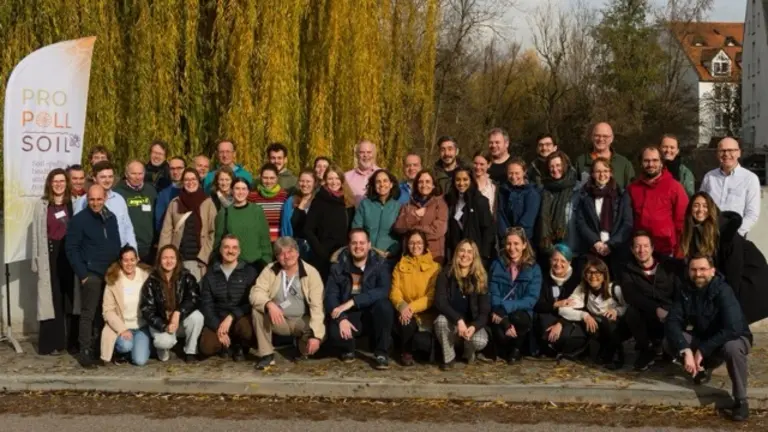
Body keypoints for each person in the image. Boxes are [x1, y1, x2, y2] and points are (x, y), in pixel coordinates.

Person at [665, 255, 753, 422]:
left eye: (703, 269)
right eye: (694, 269)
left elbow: (732, 328)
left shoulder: (723, 290)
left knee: (732, 348)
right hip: (705, 338)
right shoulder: (685, 290)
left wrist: (702, 349)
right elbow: (672, 321)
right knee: (670, 340)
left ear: (712, 271)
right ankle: (701, 368)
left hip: (734, 337)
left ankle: (741, 400)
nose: (698, 274)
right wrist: (685, 349)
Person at [678, 192, 768, 324]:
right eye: (696, 205)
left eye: (705, 206)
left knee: (733, 318)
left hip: (749, 278)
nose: (700, 210)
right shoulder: (695, 232)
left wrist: (729, 299)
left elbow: (734, 268)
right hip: (731, 276)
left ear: (711, 209)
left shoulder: (725, 231)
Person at [65, 185, 122, 368]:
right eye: (92, 199)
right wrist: (83, 274)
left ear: (105, 198)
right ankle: (85, 351)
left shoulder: (110, 217)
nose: (95, 203)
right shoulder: (79, 220)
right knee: (89, 313)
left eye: (99, 199)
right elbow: (71, 249)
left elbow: (116, 243)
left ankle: (102, 349)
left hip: (110, 273)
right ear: (87, 199)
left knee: (106, 313)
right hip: (91, 273)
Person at [250, 237, 325, 370]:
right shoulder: (270, 269)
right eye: (281, 253)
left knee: (310, 348)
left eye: (290, 251)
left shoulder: (311, 273)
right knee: (257, 311)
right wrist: (269, 304)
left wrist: (316, 336)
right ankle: (267, 355)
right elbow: (255, 293)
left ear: (297, 252)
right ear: (277, 257)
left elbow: (317, 307)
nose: (286, 256)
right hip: (279, 320)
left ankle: (301, 346)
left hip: (302, 321)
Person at [324, 229, 395, 370]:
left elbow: (383, 290)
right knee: (334, 332)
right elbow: (330, 295)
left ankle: (381, 352)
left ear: (369, 245)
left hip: (371, 314)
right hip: (349, 315)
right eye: (354, 243)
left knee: (385, 307)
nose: (358, 246)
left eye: (362, 243)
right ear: (349, 245)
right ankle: (348, 348)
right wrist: (341, 318)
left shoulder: (380, 264)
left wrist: (353, 302)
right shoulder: (337, 266)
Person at [32, 169, 77, 355]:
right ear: (50, 184)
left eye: (62, 181)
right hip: (50, 254)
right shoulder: (42, 205)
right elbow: (36, 234)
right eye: (55, 181)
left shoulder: (73, 203)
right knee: (53, 298)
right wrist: (35, 259)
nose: (58, 184)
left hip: (70, 254)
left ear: (67, 183)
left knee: (72, 298)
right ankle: (53, 343)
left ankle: (73, 342)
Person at [621, 231, 680, 371]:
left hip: (670, 314)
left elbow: (678, 292)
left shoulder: (668, 265)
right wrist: (656, 309)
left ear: (652, 248)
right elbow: (631, 296)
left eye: (646, 246)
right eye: (637, 246)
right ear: (632, 249)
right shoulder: (627, 269)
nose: (642, 250)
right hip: (647, 315)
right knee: (631, 312)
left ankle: (667, 347)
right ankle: (646, 349)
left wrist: (669, 310)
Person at [558, 257, 628, 370]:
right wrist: (583, 315)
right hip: (597, 327)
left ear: (604, 275)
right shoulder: (582, 290)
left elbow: (627, 306)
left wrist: (616, 311)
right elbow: (563, 309)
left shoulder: (614, 289)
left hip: (618, 327)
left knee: (606, 321)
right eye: (589, 272)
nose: (593, 276)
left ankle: (617, 353)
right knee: (588, 321)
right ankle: (583, 351)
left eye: (598, 273)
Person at [198, 235, 259, 360]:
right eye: (226, 247)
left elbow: (251, 302)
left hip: (239, 318)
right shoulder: (210, 275)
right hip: (218, 318)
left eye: (234, 247)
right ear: (220, 250)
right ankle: (225, 345)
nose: (230, 251)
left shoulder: (249, 272)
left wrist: (232, 316)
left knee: (246, 330)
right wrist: (217, 327)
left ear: (239, 251)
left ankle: (240, 345)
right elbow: (206, 305)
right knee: (206, 347)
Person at [141, 244, 204, 363]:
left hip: (179, 320)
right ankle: (165, 348)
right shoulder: (151, 281)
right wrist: (164, 326)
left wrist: (178, 312)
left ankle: (190, 351)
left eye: (172, 257)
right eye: (165, 258)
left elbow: (194, 298)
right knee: (164, 345)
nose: (168, 261)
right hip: (161, 323)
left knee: (197, 317)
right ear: (159, 260)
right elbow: (147, 310)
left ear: (177, 259)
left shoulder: (187, 277)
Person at [434, 239, 491, 370]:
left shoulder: (480, 277)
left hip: (470, 326)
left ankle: (467, 354)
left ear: (474, 256)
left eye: (469, 252)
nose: (465, 255)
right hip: (452, 325)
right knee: (440, 321)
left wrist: (474, 326)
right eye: (462, 251)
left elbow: (484, 312)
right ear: (456, 253)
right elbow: (440, 302)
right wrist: (458, 320)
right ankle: (449, 358)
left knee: (480, 340)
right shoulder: (445, 274)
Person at [490, 227, 542, 363]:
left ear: (524, 245)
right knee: (500, 332)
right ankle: (504, 348)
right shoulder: (497, 265)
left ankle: (516, 349)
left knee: (520, 319)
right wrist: (502, 316)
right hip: (498, 311)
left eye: (516, 243)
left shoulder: (534, 268)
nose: (512, 248)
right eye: (508, 243)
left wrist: (505, 308)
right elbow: (493, 291)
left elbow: (531, 299)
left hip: (520, 312)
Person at [573, 157, 633, 276]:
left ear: (611, 173)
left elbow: (627, 223)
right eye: (598, 171)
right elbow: (581, 222)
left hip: (617, 249)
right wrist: (595, 242)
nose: (602, 175)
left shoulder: (622, 195)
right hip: (592, 249)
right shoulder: (585, 195)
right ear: (592, 174)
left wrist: (611, 244)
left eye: (605, 171)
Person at [389, 230, 440, 365]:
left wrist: (410, 308)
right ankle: (406, 352)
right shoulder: (399, 266)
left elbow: (431, 295)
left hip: (425, 314)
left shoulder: (435, 268)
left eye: (419, 243)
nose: (415, 246)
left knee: (423, 345)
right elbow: (395, 290)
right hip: (405, 313)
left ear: (424, 245)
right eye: (411, 243)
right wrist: (402, 305)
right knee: (406, 323)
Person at [626, 146, 688, 256]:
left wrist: (680, 252)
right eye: (646, 161)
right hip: (640, 249)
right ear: (641, 163)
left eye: (655, 160)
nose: (650, 164)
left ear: (661, 163)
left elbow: (682, 221)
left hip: (666, 248)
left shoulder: (674, 187)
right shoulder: (633, 189)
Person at [158, 168, 217, 281]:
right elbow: (166, 232)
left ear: (198, 181)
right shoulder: (175, 203)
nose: (190, 183)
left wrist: (204, 256)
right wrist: (163, 257)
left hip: (199, 260)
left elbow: (213, 232)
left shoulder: (207, 203)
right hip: (178, 259)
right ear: (182, 182)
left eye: (193, 179)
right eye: (186, 180)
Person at [100, 246, 152, 366]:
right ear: (120, 261)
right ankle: (121, 352)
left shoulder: (145, 277)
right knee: (125, 345)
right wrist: (122, 329)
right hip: (122, 327)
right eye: (126, 260)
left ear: (137, 259)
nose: (129, 263)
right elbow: (107, 310)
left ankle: (139, 347)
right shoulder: (113, 280)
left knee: (140, 361)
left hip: (141, 326)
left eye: (132, 260)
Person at [699, 137, 760, 236]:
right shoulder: (709, 177)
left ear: (739, 153)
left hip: (735, 237)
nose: (726, 154)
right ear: (717, 154)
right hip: (709, 236)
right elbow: (701, 205)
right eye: (722, 150)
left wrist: (734, 234)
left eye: (731, 150)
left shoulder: (750, 179)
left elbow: (752, 214)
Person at [304, 164, 356, 279]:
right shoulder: (319, 201)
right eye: (330, 178)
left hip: (343, 254)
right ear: (325, 180)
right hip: (322, 254)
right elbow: (308, 229)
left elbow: (352, 228)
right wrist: (319, 250)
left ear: (342, 180)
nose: (334, 182)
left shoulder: (348, 202)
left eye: (337, 178)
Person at [74, 161, 138, 251]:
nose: (107, 180)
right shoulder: (83, 201)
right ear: (94, 178)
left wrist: (134, 250)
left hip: (120, 254)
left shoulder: (119, 199)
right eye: (103, 177)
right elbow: (76, 233)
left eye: (110, 177)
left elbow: (128, 228)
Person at [534, 244, 582, 359]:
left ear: (569, 262)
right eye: (555, 260)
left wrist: (561, 323)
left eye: (563, 261)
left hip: (569, 319)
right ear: (550, 260)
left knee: (566, 336)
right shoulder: (543, 278)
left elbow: (578, 307)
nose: (558, 264)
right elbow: (537, 304)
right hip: (548, 317)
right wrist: (556, 304)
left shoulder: (576, 279)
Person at [214, 178, 272, 272]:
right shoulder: (224, 213)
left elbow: (265, 239)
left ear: (248, 191)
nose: (240, 192)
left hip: (256, 265)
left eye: (243, 189)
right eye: (237, 188)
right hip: (233, 266)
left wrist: (266, 261)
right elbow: (218, 241)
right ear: (232, 191)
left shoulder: (257, 211)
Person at [393, 170, 449, 264]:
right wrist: (415, 215)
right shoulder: (408, 204)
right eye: (420, 182)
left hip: (432, 256)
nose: (424, 185)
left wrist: (413, 230)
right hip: (410, 255)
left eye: (427, 181)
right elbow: (399, 227)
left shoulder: (440, 204)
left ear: (433, 185)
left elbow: (438, 230)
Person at [444, 167, 494, 264]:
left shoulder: (480, 201)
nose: (461, 183)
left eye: (465, 179)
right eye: (458, 180)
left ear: (471, 180)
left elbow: (488, 230)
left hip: (474, 254)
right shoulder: (450, 200)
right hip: (455, 252)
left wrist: (483, 255)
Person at [113, 160, 158, 264]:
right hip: (127, 247)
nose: (137, 177)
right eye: (133, 174)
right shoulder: (118, 192)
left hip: (148, 247)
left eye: (140, 173)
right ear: (126, 174)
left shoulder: (151, 190)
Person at [537, 150, 580, 257]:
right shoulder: (544, 191)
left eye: (558, 165)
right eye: (551, 166)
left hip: (574, 247)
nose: (555, 169)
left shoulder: (577, 189)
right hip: (551, 249)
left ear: (565, 165)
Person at [352, 169, 402, 257]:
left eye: (385, 181)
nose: (382, 184)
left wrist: (392, 251)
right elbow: (356, 229)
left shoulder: (398, 207)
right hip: (365, 255)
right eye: (378, 182)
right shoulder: (365, 204)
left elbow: (401, 236)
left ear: (391, 184)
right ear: (374, 185)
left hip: (388, 256)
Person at [574, 122, 635, 188]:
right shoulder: (581, 162)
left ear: (612, 138)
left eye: (605, 136)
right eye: (597, 135)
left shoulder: (624, 164)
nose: (601, 139)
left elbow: (631, 192)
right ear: (592, 137)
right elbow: (574, 190)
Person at [496, 158, 541, 242]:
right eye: (510, 173)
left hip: (524, 239)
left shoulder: (531, 193)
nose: (513, 177)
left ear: (524, 172)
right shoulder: (502, 191)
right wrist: (505, 234)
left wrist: (516, 236)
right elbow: (500, 213)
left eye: (517, 173)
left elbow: (528, 219)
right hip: (505, 239)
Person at [247, 163, 289, 242]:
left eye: (272, 178)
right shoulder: (252, 197)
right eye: (265, 178)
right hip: (258, 241)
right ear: (260, 177)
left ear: (277, 178)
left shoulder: (284, 196)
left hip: (279, 242)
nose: (268, 181)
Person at [280, 169, 316, 259]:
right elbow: (286, 226)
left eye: (308, 181)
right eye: (302, 181)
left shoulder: (318, 202)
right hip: (294, 247)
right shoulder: (291, 201)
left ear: (315, 183)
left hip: (314, 248)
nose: (304, 184)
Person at [154, 156, 186, 233]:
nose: (175, 172)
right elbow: (159, 223)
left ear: (185, 169)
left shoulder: (195, 190)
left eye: (179, 168)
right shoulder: (163, 194)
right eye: (172, 169)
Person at [345, 140, 381, 205]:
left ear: (374, 154)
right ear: (357, 155)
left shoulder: (383, 175)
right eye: (362, 152)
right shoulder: (346, 177)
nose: (366, 155)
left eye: (369, 152)